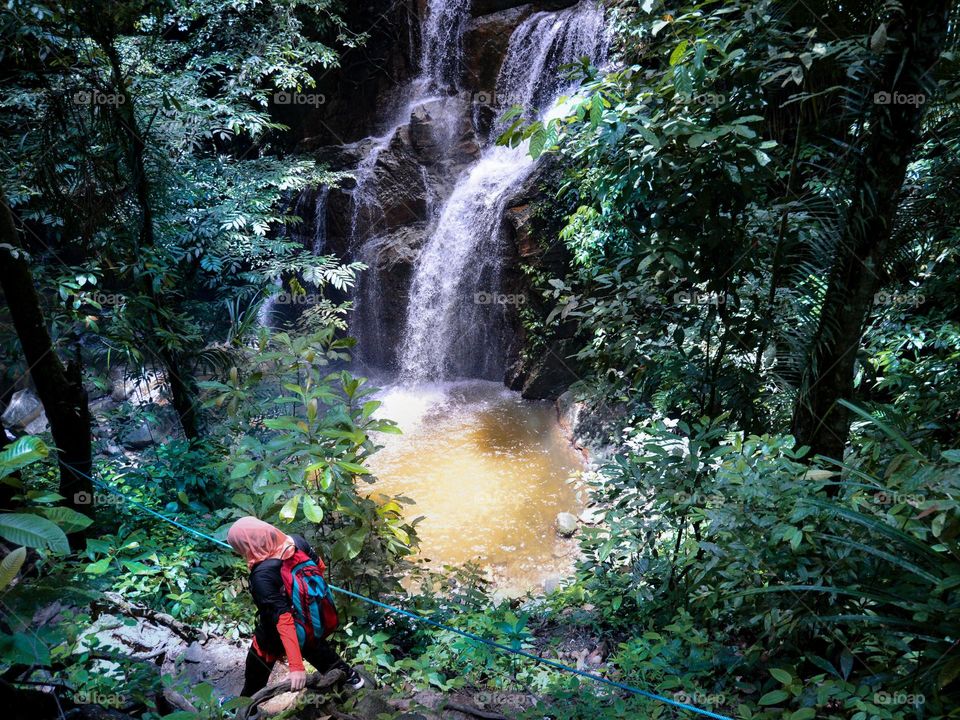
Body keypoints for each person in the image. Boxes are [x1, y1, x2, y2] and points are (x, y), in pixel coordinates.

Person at [226, 516, 364, 697]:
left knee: (255, 673)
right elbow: (320, 567)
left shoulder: (262, 576)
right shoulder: (296, 541)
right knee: (311, 644)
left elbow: (282, 619)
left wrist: (296, 667)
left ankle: (244, 708)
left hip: (275, 635)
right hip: (309, 620)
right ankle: (352, 679)